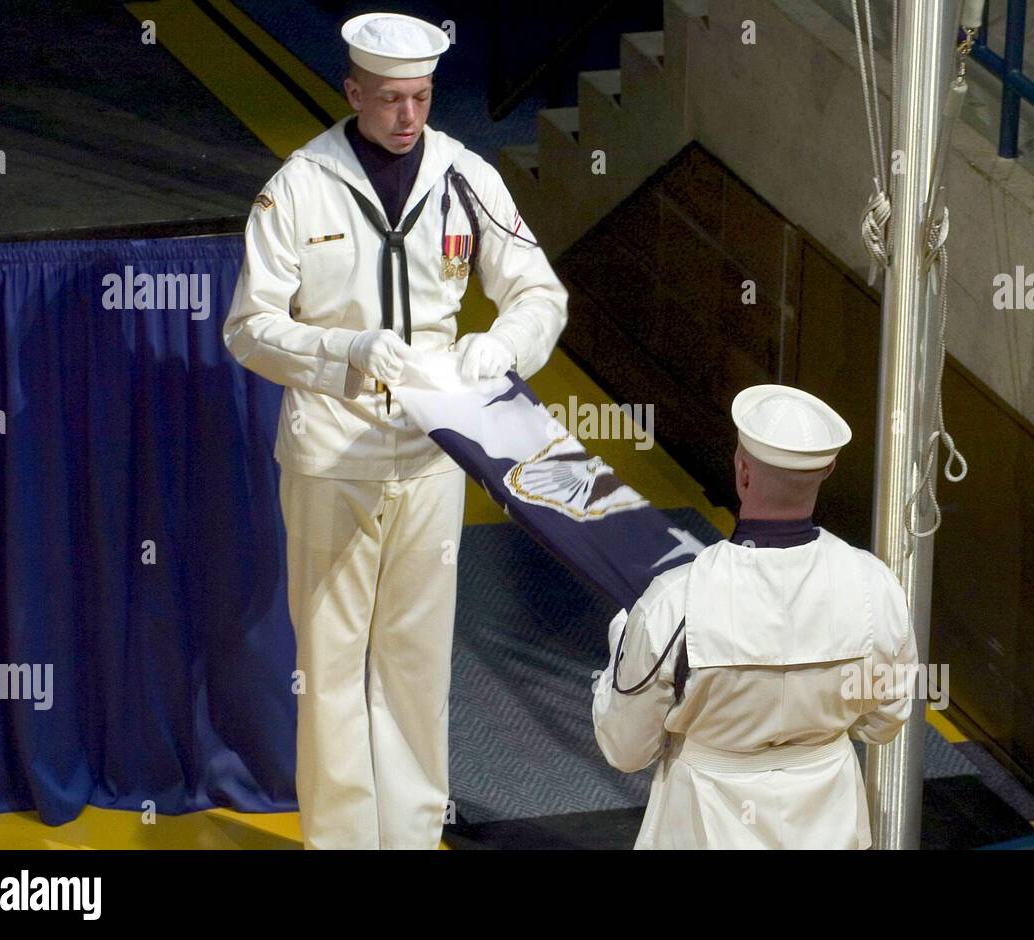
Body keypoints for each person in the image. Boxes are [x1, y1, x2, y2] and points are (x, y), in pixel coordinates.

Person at [223, 11, 567, 849]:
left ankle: (412, 835)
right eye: (389, 99)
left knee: (416, 662)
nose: (408, 115)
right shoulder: (299, 185)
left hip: (433, 452)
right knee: (333, 664)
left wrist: (502, 346)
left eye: (420, 97)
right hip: (330, 455)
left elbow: (540, 292)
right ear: (351, 92)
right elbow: (248, 328)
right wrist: (346, 349)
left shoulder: (467, 176)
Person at [592, 384, 919, 849]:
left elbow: (626, 749)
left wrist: (620, 647)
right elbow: (886, 721)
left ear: (743, 472)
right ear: (828, 469)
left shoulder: (674, 602)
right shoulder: (877, 587)